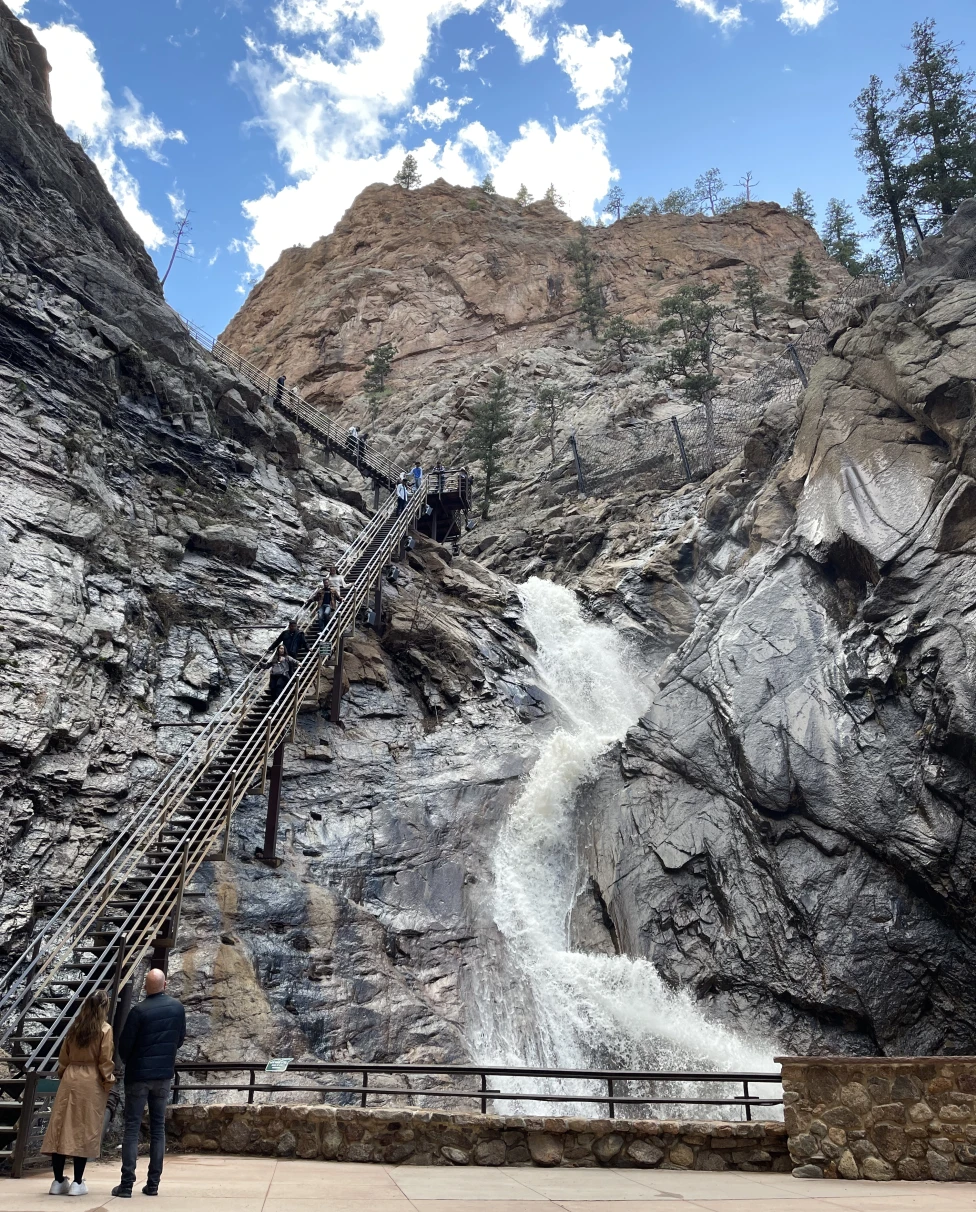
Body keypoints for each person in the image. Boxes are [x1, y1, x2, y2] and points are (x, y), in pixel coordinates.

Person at [112, 969, 186, 1199]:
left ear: (145, 986)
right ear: (166, 984)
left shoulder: (138, 1012)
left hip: (138, 1077)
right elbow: (180, 1039)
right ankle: (153, 1184)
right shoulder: (177, 1008)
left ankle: (126, 1185)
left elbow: (124, 1046)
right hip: (163, 1075)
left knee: (132, 1128)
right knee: (158, 1129)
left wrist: (132, 1062)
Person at [41, 990, 115, 1197]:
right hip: (90, 1079)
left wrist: (66, 1073)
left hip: (70, 1077)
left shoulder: (74, 1028)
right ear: (104, 1007)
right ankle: (78, 1182)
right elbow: (105, 1060)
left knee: (60, 1127)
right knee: (83, 1128)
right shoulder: (104, 1029)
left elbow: (63, 1058)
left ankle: (57, 1181)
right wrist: (108, 1081)